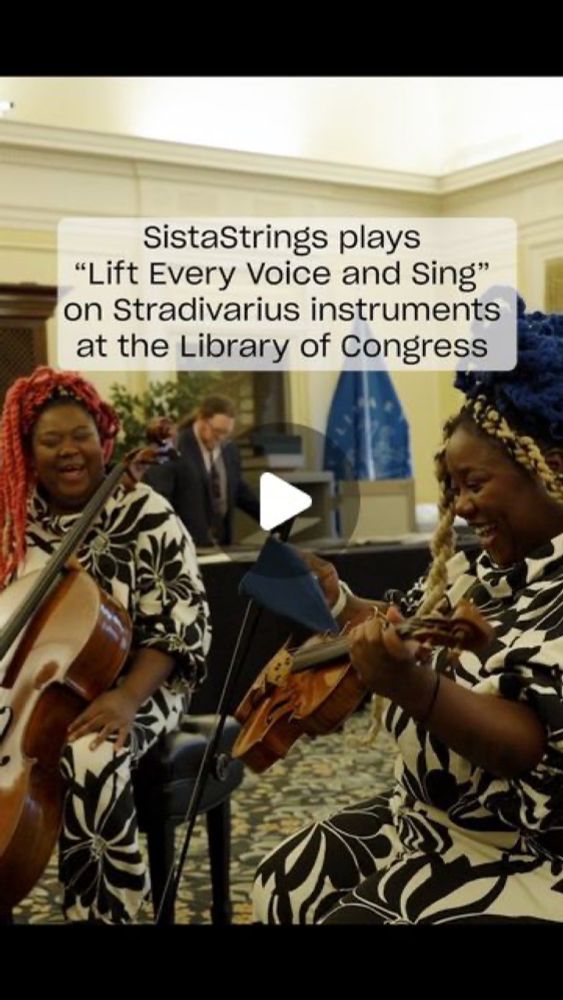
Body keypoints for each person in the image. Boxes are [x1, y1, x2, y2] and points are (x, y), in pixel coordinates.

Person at [252, 297, 563, 924]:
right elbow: (408, 623)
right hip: (433, 816)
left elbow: (527, 747)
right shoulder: (481, 567)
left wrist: (414, 688)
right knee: (282, 884)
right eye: (453, 489)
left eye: (475, 485)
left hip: (532, 848)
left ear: (552, 471)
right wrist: (335, 598)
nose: (462, 509)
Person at [0, 367, 211, 924]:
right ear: (28, 450)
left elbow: (178, 625)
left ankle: (105, 914)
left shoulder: (148, 517)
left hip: (142, 682)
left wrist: (127, 700)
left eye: (81, 436)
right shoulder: (18, 523)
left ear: (104, 439)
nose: (69, 451)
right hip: (33, 688)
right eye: (50, 441)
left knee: (89, 754)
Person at [175, 395, 259, 546]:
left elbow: (237, 489)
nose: (221, 438)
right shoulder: (176, 447)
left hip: (222, 544)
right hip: (187, 546)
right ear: (201, 420)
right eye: (217, 431)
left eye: (226, 433)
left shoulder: (229, 449)